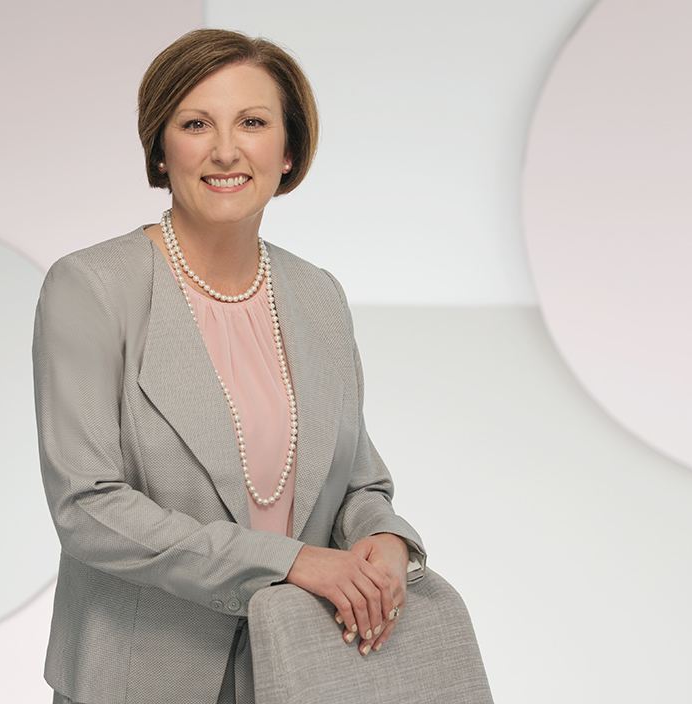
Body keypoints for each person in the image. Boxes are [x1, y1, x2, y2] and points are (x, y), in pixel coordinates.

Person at [33, 28, 425, 704]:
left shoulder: (318, 295)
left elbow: (358, 482)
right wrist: (289, 562)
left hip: (298, 671)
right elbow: (87, 508)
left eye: (252, 122)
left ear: (288, 149)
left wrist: (384, 538)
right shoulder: (92, 288)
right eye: (195, 124)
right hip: (140, 680)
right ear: (160, 150)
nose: (225, 150)